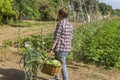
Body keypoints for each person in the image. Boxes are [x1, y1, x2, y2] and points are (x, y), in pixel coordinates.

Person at [50, 7, 73, 80]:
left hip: (61, 49)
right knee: (58, 64)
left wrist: (51, 49)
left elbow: (56, 38)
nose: (57, 16)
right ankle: (56, 78)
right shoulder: (69, 24)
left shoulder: (60, 23)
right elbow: (71, 36)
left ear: (60, 15)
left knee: (63, 66)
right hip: (67, 49)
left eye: (58, 14)